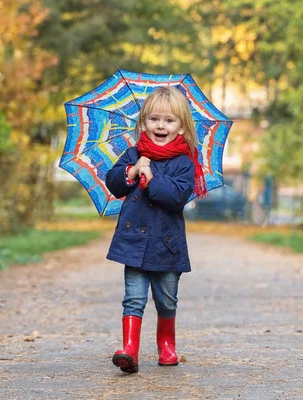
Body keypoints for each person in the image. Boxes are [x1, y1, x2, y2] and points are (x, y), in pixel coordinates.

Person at [105, 86, 207, 374]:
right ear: (143, 122)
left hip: (166, 245)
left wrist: (152, 177)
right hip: (133, 242)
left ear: (182, 127)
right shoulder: (133, 154)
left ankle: (166, 345)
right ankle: (129, 350)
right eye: (154, 119)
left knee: (166, 298)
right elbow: (114, 183)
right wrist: (132, 171)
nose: (160, 125)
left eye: (169, 120)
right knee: (133, 298)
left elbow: (177, 197)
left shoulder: (184, 162)